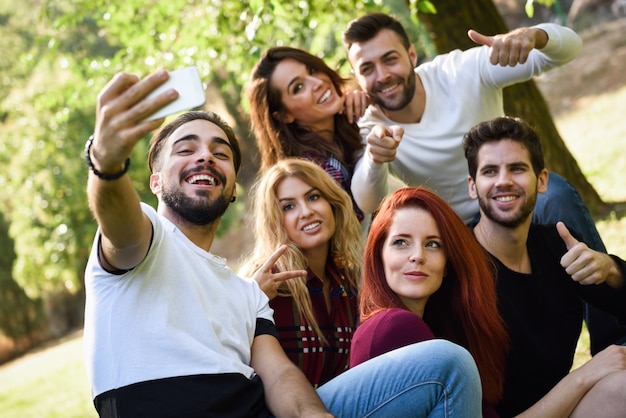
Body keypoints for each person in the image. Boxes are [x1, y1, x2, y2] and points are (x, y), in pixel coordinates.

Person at [83, 69, 484, 417]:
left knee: (447, 364)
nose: (205, 157)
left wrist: (314, 415)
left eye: (220, 153)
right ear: (155, 180)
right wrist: (105, 160)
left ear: (233, 188)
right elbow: (120, 222)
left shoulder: (247, 293)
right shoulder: (146, 241)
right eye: (186, 149)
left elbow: (277, 375)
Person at [341, 11, 625, 352]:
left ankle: (614, 337)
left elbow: (568, 48)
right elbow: (366, 200)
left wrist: (535, 36)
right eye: (367, 69)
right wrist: (376, 157)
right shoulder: (370, 122)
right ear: (356, 77)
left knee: (557, 194)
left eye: (390, 59)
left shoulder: (461, 71)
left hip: (514, 200)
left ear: (412, 56)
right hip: (459, 231)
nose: (383, 75)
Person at [463, 115, 626, 417]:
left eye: (517, 168)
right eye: (489, 171)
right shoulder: (458, 269)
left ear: (542, 180)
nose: (503, 181)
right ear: (473, 186)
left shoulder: (557, 246)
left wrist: (612, 270)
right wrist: (586, 375)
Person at [350, 186, 508, 418]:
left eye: (433, 244)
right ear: (379, 256)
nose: (418, 256)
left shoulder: (439, 329)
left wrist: (580, 382)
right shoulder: (395, 327)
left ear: (447, 265)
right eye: (401, 242)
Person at [239, 158, 362, 387]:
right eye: (288, 206)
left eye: (314, 197)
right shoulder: (266, 283)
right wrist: (249, 299)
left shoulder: (349, 281)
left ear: (332, 203)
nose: (306, 212)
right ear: (276, 222)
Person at [247, 46, 398, 222]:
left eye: (312, 71)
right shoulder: (317, 174)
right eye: (299, 87)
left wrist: (370, 101)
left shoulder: (342, 132)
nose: (317, 83)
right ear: (284, 115)